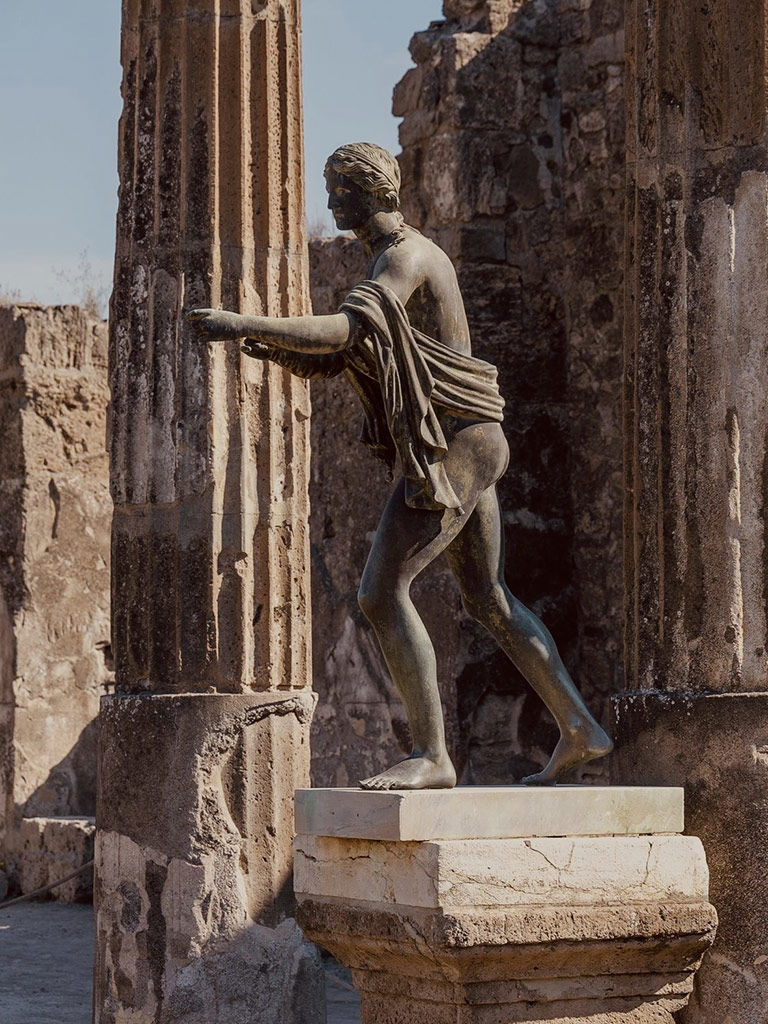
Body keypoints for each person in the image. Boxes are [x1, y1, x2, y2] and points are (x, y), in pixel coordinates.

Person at [187, 142, 612, 789]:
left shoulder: (406, 258)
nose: (330, 199)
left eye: (341, 186)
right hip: (471, 439)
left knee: (379, 592)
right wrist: (267, 345)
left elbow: (346, 334)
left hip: (459, 446)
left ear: (376, 191)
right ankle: (580, 728)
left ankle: (433, 756)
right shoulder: (393, 259)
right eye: (328, 186)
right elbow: (349, 353)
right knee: (489, 599)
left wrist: (243, 321)